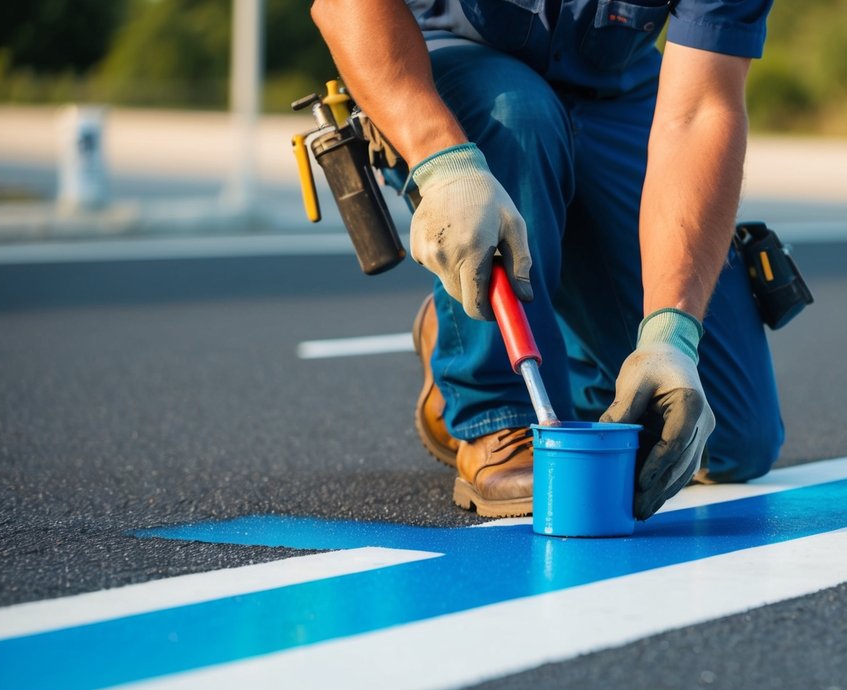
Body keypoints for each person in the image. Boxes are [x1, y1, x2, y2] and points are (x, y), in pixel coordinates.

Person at [311, 0, 784, 521]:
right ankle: (499, 407)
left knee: (725, 437)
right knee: (520, 114)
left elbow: (700, 112)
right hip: (454, 71)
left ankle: (503, 327)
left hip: (616, 85)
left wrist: (672, 335)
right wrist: (444, 163)